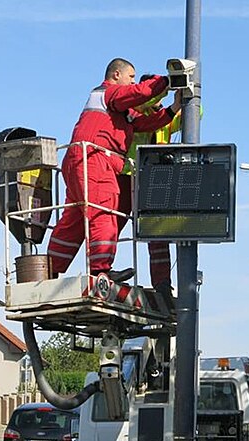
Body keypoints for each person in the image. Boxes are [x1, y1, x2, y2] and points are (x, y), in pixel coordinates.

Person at [48, 58, 181, 282]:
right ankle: (101, 270)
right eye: (131, 77)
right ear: (116, 75)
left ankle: (50, 268)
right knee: (104, 212)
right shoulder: (111, 93)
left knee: (75, 219)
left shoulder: (113, 106)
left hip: (78, 159)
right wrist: (169, 81)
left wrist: (174, 108)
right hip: (94, 159)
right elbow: (139, 93)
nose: (132, 82)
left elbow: (144, 123)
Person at [116, 74, 182, 295]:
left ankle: (162, 283)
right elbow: (143, 108)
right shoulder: (132, 112)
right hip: (127, 174)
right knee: (111, 223)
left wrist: (188, 94)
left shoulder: (163, 116)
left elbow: (195, 113)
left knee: (157, 234)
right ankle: (102, 268)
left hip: (152, 178)